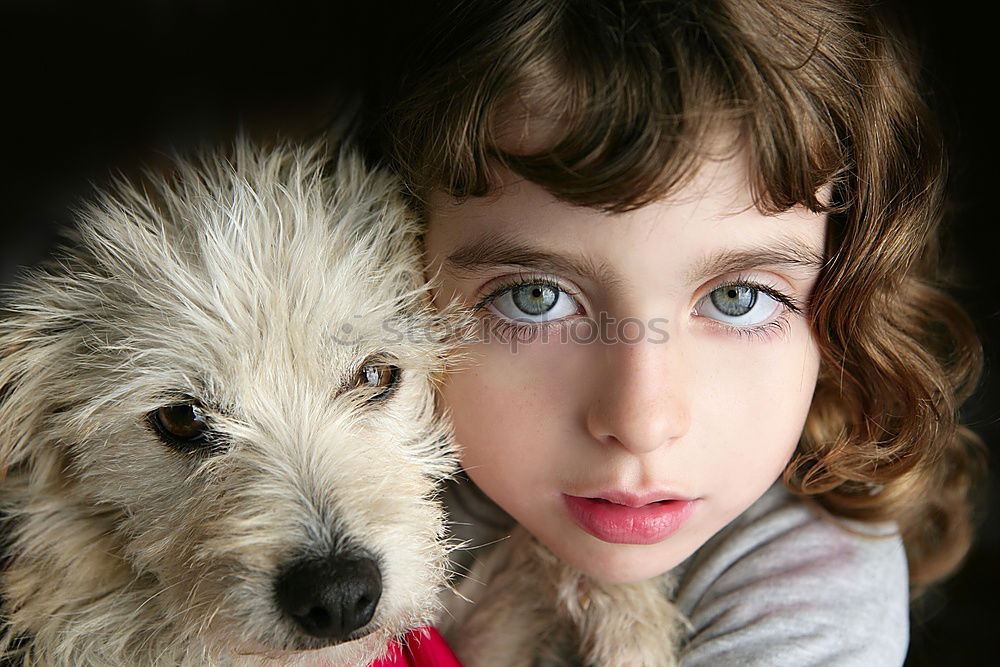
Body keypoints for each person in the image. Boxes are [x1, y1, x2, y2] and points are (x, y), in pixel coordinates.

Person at [359, 0, 987, 662]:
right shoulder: (340, 485)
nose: (640, 421)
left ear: (843, 302)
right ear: (401, 264)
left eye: (738, 298)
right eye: (535, 298)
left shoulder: (806, 591)